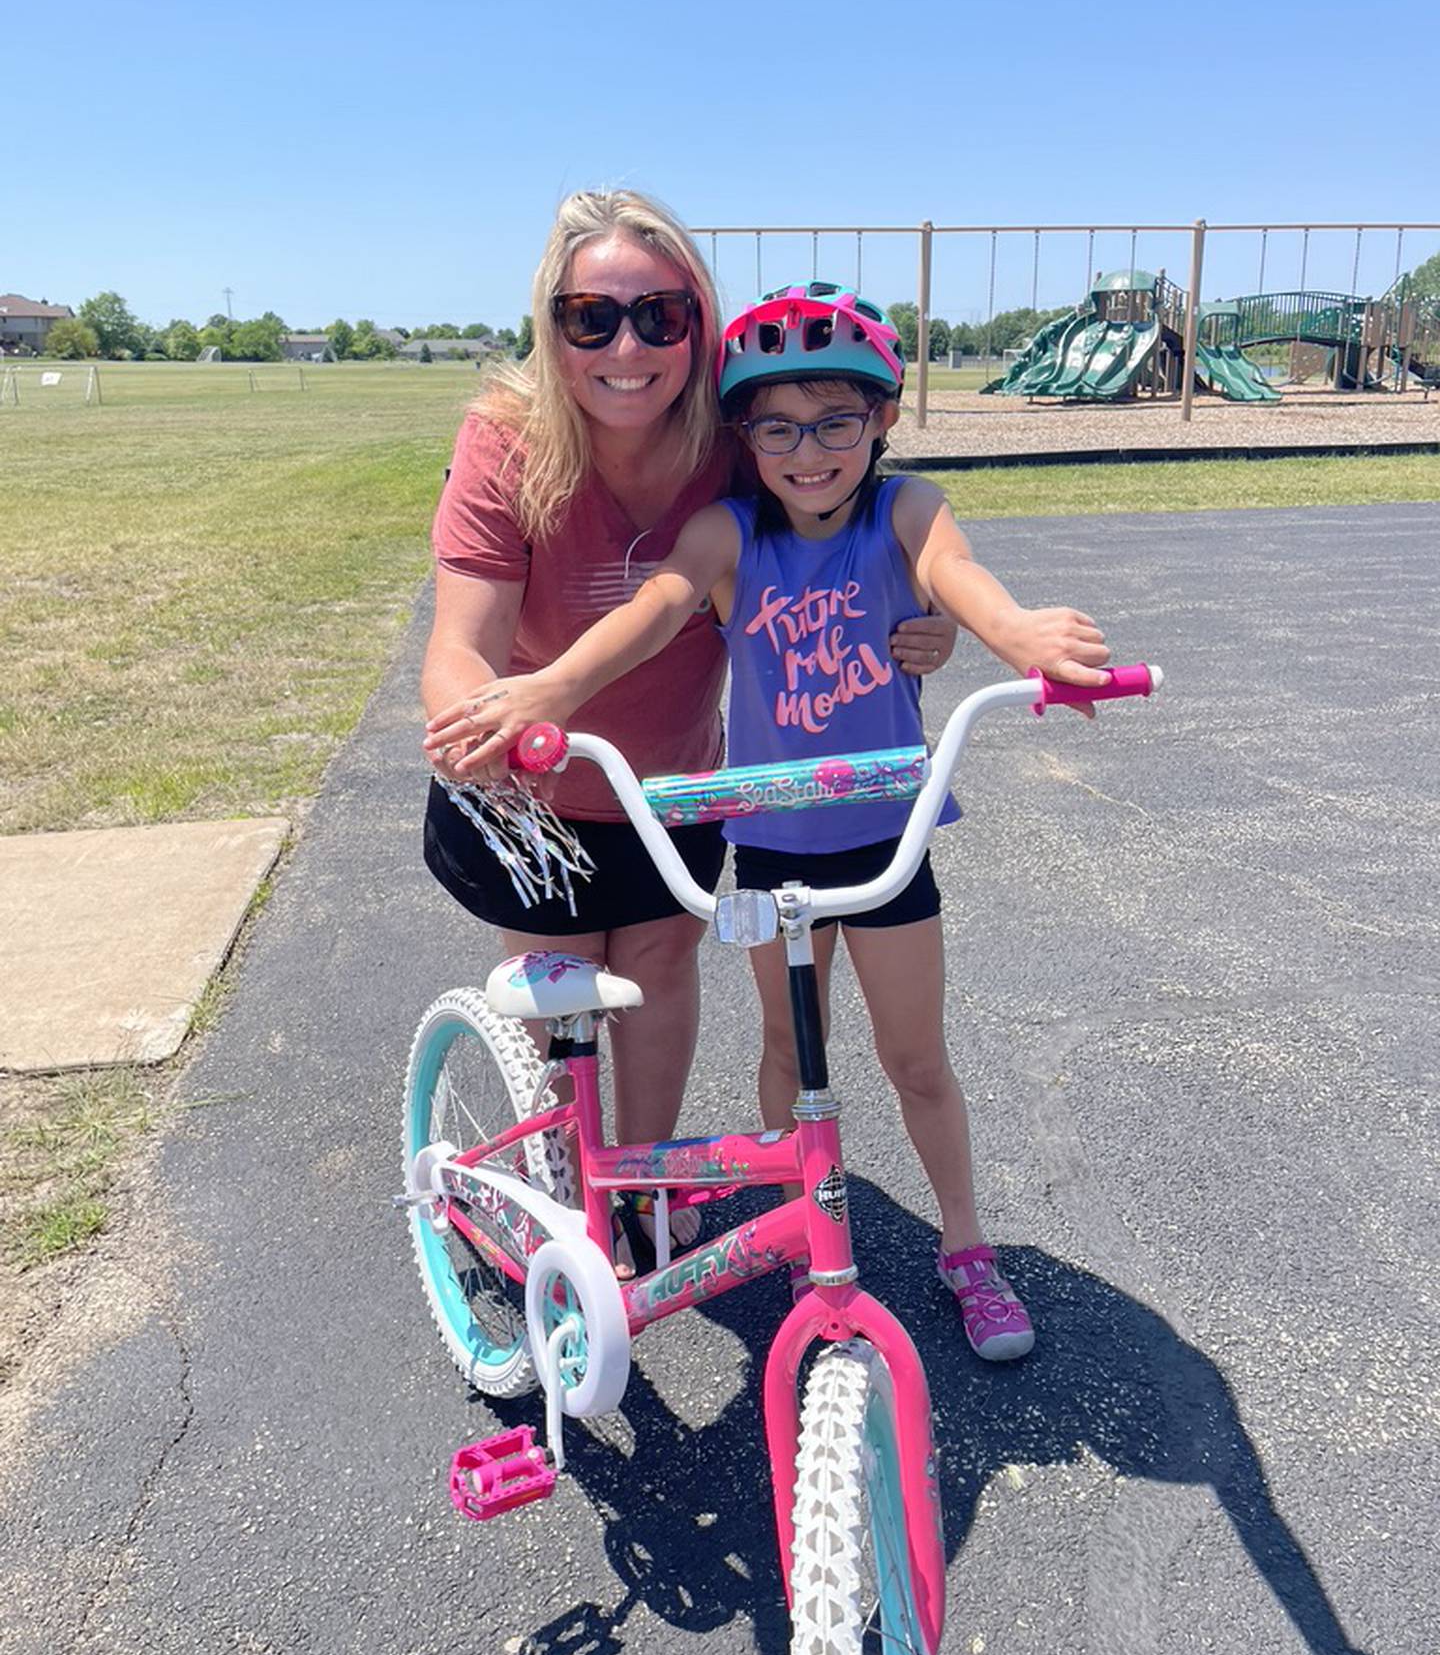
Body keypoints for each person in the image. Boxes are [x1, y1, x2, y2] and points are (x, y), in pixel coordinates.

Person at [433, 283, 1113, 1359]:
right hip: (764, 848)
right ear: (742, 436)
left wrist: (1016, 634)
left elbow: (960, 576)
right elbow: (657, 608)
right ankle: (809, 1223)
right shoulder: (726, 532)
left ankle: (968, 1249)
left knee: (915, 1059)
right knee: (789, 1055)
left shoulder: (907, 510)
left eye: (837, 422)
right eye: (779, 428)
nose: (809, 453)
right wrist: (551, 689)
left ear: (883, 419)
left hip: (885, 841)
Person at [420, 204, 955, 1266]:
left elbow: (833, 526)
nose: (627, 348)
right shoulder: (507, 442)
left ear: (699, 327)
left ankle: (641, 1190)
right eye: (591, 318)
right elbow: (461, 642)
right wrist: (474, 718)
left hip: (671, 788)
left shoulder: (730, 444)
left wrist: (910, 615)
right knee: (560, 994)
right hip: (540, 788)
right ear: (551, 325)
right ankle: (563, 1207)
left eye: (660, 317)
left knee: (661, 971)